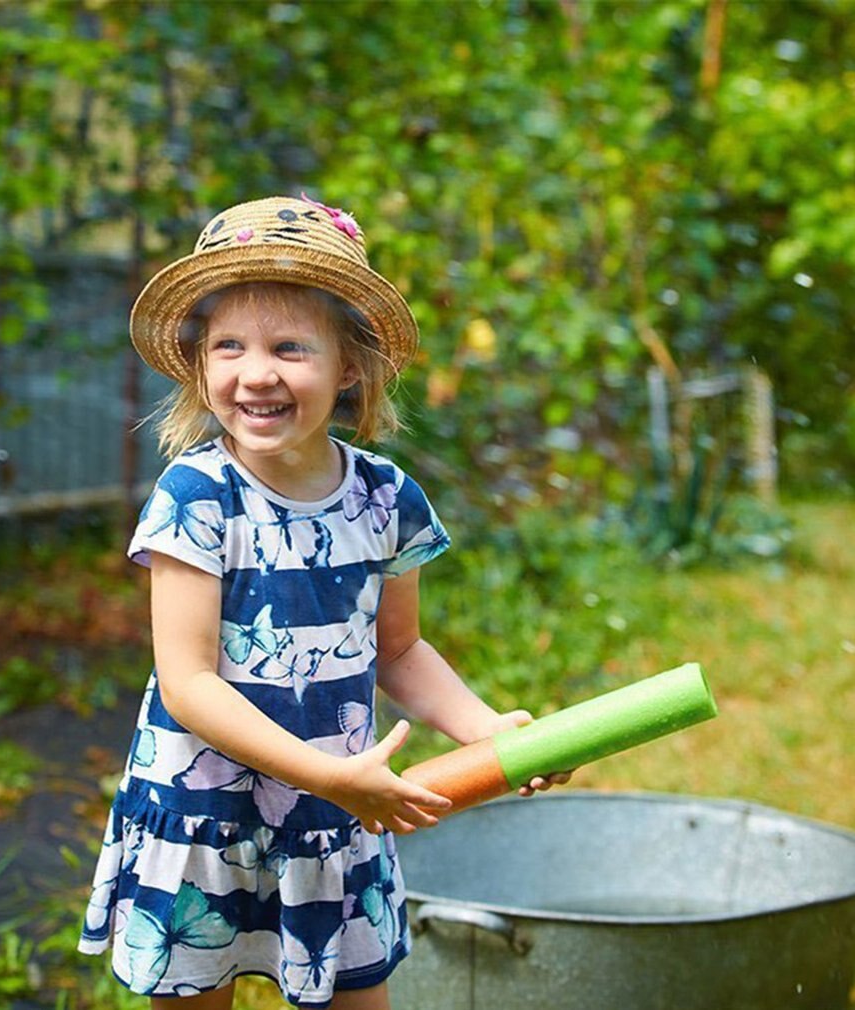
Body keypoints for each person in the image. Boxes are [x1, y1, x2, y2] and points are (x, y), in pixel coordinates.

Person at [78, 194, 570, 1010]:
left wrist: (487, 730)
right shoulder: (198, 495)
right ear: (200, 364)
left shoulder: (385, 498)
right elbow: (188, 684)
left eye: (289, 347)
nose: (256, 372)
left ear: (349, 367)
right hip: (207, 814)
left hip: (334, 814)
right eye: (228, 344)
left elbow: (400, 650)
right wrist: (336, 777)